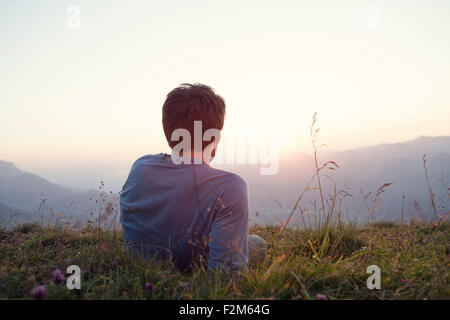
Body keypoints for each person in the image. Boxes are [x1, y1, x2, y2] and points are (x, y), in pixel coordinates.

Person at [120, 83, 264, 274]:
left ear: (168, 130)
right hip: (192, 267)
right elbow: (226, 278)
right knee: (257, 244)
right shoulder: (229, 187)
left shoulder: (140, 167)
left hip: (141, 265)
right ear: (216, 137)